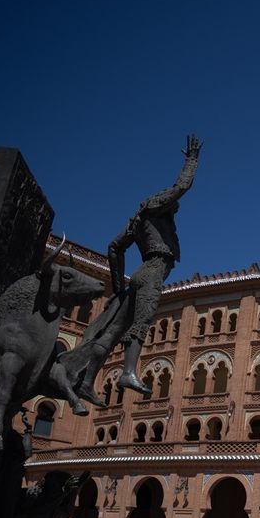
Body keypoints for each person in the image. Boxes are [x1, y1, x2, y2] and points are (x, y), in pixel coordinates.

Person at [61, 135, 203, 404]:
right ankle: (128, 372)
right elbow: (182, 186)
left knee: (112, 332)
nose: (175, 208)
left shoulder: (135, 222)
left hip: (140, 274)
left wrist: (120, 287)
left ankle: (87, 381)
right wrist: (192, 160)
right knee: (141, 324)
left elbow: (114, 247)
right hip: (153, 272)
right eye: (173, 206)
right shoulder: (155, 208)